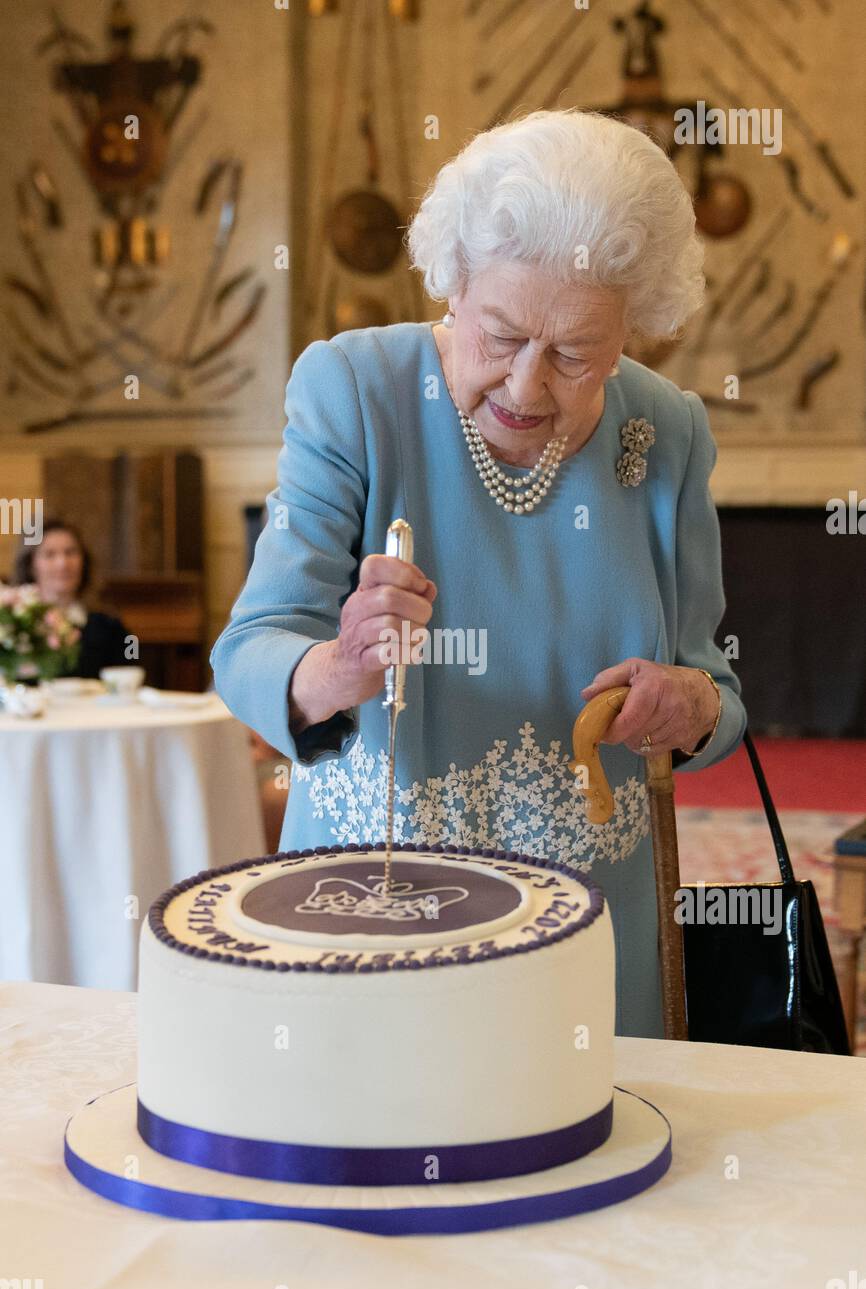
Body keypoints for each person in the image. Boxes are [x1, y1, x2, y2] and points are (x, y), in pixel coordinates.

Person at [211, 109, 747, 1038]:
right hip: (373, 916)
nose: (527, 387)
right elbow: (250, 651)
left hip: (587, 933)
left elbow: (719, 689)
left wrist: (690, 705)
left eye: (576, 353)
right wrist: (338, 668)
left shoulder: (666, 430)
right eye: (500, 335)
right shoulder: (356, 390)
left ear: (636, 332)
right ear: (454, 285)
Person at [14, 520, 128, 678]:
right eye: (50, 554)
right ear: (31, 565)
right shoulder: (13, 625)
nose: (63, 563)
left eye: (70, 552)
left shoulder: (108, 625)